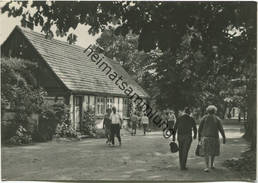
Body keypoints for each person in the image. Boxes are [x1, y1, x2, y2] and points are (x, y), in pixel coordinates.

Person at [198, 105, 226, 172]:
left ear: (207, 111)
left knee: (206, 153)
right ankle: (212, 164)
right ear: (215, 111)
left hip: (205, 137)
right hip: (214, 137)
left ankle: (207, 167)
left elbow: (199, 129)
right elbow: (221, 129)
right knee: (213, 152)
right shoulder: (217, 119)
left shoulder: (204, 118)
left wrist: (199, 137)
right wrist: (224, 137)